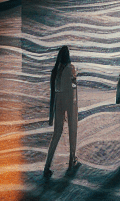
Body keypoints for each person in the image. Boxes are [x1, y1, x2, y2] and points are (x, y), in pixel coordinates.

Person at [45, 45, 79, 177]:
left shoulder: (55, 71)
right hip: (69, 101)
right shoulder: (71, 68)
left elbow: (53, 94)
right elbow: (74, 87)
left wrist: (51, 115)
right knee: (72, 130)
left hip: (58, 101)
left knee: (56, 134)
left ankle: (47, 165)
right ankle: (71, 159)